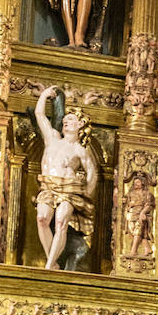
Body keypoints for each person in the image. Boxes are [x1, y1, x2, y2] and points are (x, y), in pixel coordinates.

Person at [34, 85, 98, 269]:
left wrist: (86, 194)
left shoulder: (80, 149)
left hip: (69, 189)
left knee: (61, 221)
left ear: (80, 124)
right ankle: (52, 262)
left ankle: (48, 266)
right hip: (48, 185)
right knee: (42, 219)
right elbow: (40, 115)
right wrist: (45, 95)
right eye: (65, 120)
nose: (65, 122)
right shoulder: (52, 138)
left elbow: (92, 173)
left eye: (70, 119)